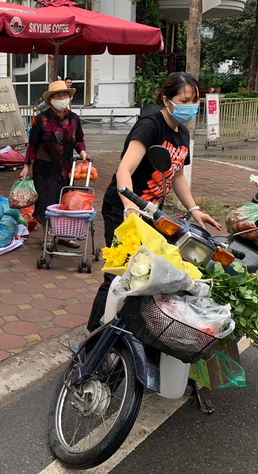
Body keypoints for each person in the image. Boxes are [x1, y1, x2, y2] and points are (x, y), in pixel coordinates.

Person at [86, 72, 221, 332]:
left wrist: (194, 210)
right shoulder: (150, 125)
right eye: (184, 100)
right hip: (124, 209)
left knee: (145, 273)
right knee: (118, 275)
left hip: (150, 214)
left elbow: (178, 173)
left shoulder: (181, 133)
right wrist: (129, 206)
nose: (190, 106)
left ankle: (127, 329)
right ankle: (94, 338)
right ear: (167, 99)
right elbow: (124, 169)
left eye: (194, 100)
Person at [20, 80, 89, 249]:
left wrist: (82, 153)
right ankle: (49, 238)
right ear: (51, 99)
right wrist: (26, 166)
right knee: (47, 204)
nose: (62, 98)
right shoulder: (41, 119)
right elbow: (32, 145)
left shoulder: (73, 119)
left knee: (66, 203)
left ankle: (64, 236)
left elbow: (79, 139)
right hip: (45, 169)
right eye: (58, 95)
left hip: (66, 170)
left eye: (64, 95)